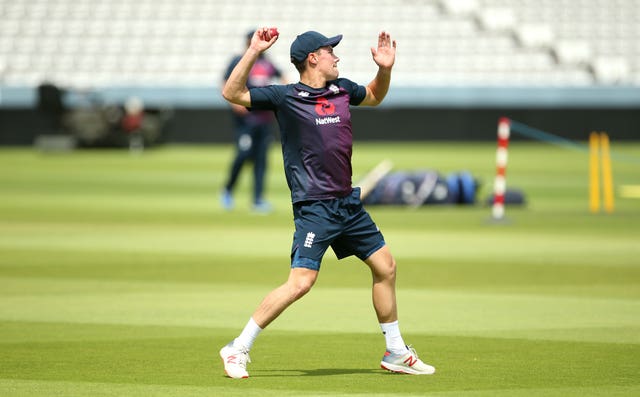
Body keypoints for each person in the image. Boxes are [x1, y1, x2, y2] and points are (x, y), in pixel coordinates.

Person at [219, 27, 436, 378]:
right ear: (312, 58)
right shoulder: (284, 96)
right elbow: (232, 92)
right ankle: (237, 347)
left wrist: (384, 69)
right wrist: (255, 51)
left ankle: (395, 351)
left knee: (386, 267)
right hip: (315, 207)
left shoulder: (342, 89)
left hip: (347, 205)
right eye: (330, 51)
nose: (337, 56)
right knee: (300, 283)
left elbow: (374, 96)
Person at [221, 30, 285, 213]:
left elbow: (282, 76)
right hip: (246, 120)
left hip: (265, 120)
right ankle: (228, 190)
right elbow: (225, 82)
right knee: (243, 155)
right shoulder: (239, 60)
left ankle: (257, 199)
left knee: (261, 160)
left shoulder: (267, 63)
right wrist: (234, 104)